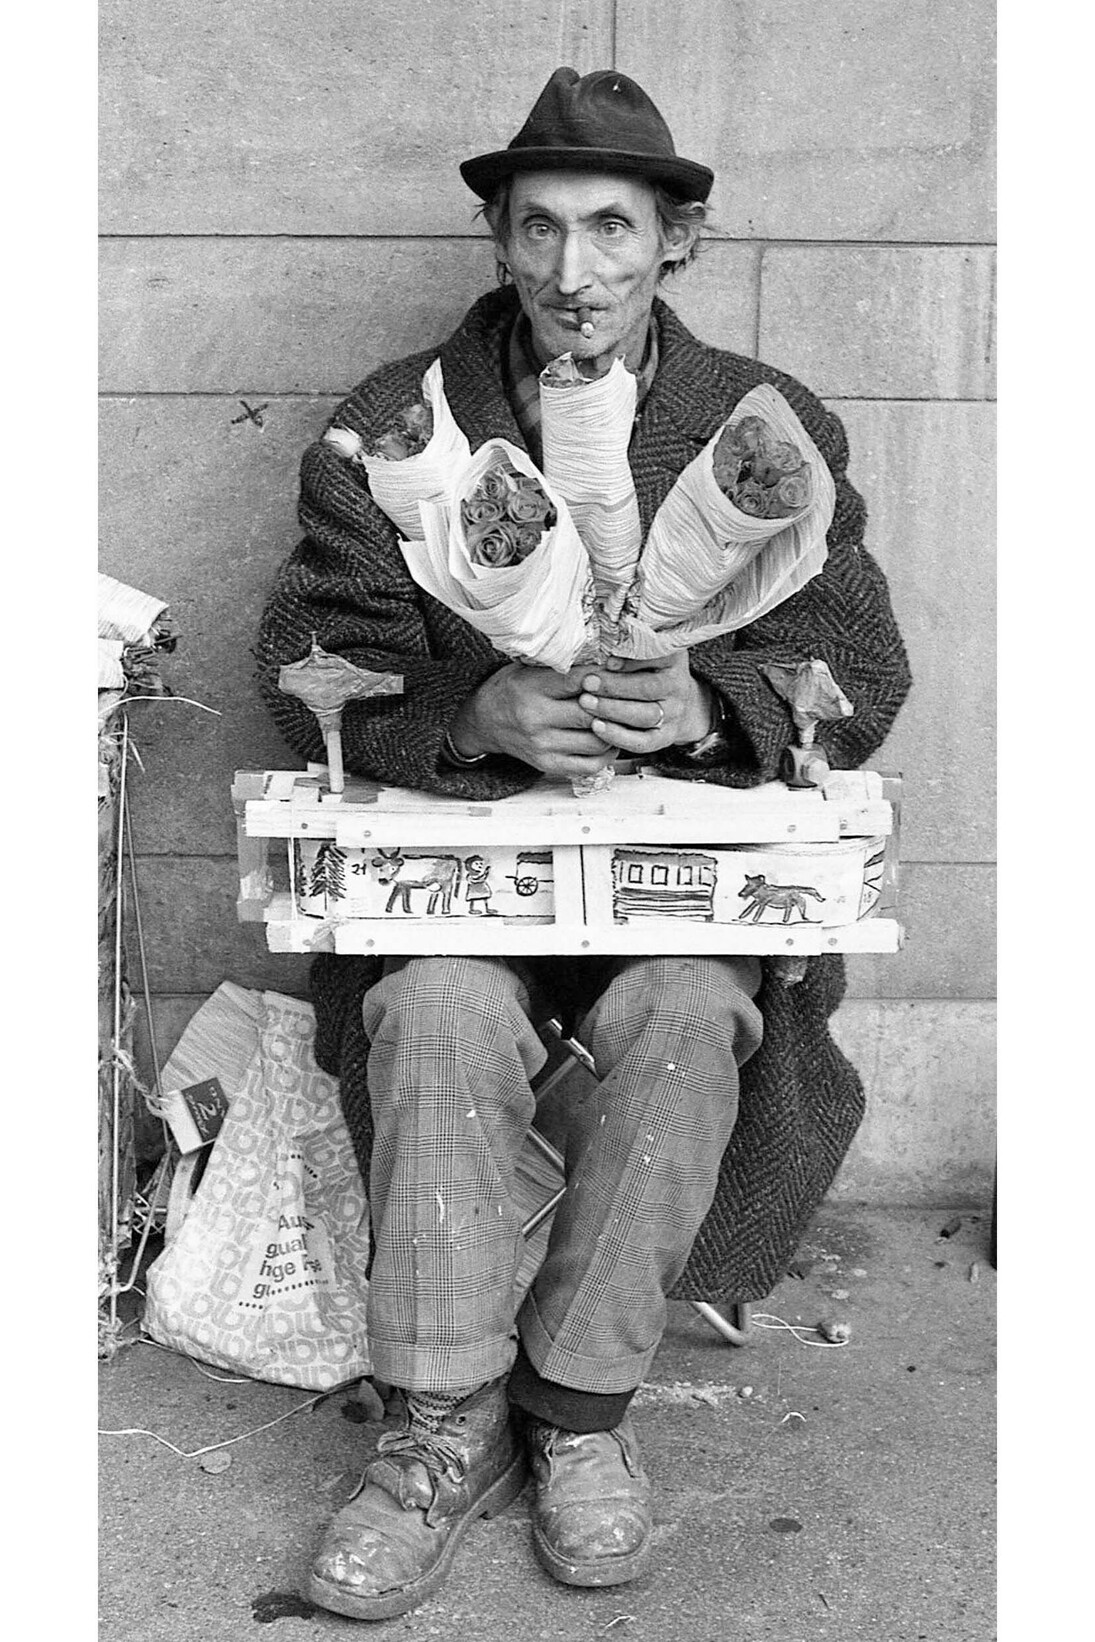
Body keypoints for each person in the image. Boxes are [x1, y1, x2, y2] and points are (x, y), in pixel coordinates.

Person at [256, 66, 911, 1621]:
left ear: (674, 239)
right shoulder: (391, 424)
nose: (574, 274)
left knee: (690, 1012)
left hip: (674, 893)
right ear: (496, 237)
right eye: (539, 230)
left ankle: (575, 1413)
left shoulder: (769, 428)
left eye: (611, 229)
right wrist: (469, 714)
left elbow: (862, 675)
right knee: (433, 1007)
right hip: (463, 886)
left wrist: (715, 695)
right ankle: (435, 1425)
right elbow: (304, 651)